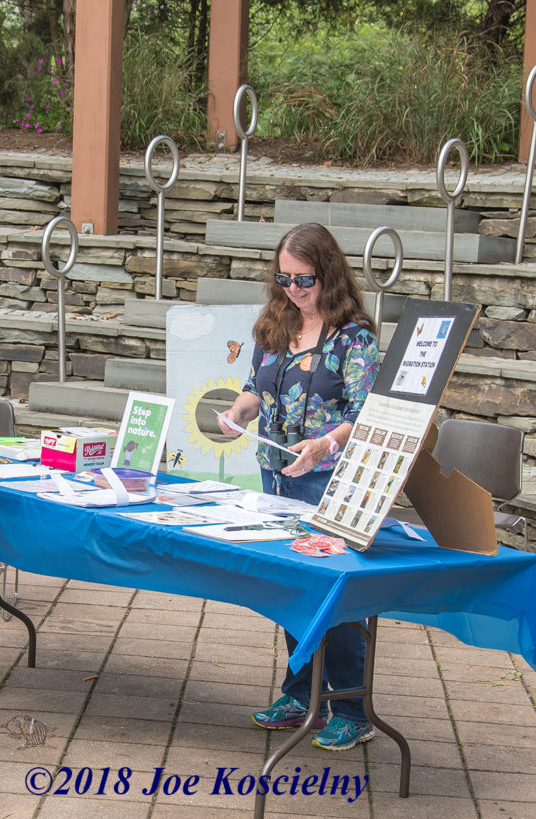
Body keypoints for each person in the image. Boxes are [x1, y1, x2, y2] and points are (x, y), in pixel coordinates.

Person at [216, 222, 380, 752]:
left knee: (336, 592)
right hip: (275, 475)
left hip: (329, 480)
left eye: (303, 279)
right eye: (283, 278)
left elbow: (366, 414)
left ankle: (352, 709)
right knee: (292, 585)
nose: (293, 289)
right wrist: (238, 411)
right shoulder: (275, 323)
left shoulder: (354, 338)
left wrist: (325, 445)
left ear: (327, 274)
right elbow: (254, 388)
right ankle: (299, 692)